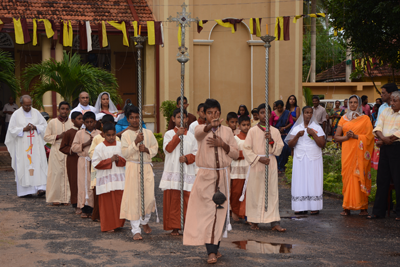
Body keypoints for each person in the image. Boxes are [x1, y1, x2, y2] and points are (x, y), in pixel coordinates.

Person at [183, 99, 239, 264]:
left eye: (216, 112)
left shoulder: (228, 131)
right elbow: (200, 133)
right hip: (206, 177)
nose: (213, 115)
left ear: (220, 113)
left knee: (219, 214)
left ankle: (214, 249)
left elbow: (235, 154)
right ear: (204, 115)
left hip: (222, 176)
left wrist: (223, 144)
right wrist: (210, 127)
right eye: (209, 113)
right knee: (208, 214)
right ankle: (211, 252)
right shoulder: (199, 128)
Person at [242, 103, 285, 231]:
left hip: (270, 163)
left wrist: (271, 141)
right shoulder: (252, 131)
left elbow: (279, 150)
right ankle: (254, 221)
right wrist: (258, 158)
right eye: (261, 112)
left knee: (271, 193)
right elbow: (246, 149)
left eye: (267, 112)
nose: (264, 115)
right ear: (258, 115)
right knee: (255, 192)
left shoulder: (275, 131)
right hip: (257, 163)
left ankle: (274, 222)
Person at [120, 105, 159, 240]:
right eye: (132, 118)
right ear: (128, 119)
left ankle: (144, 221)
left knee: (148, 197)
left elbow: (155, 148)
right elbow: (124, 153)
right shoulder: (125, 135)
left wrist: (146, 149)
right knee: (134, 198)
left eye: (137, 117)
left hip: (146, 167)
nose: (135, 120)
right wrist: (135, 143)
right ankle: (135, 229)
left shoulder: (148, 133)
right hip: (132, 167)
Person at [334, 95, 374, 216]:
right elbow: (336, 137)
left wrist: (356, 136)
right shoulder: (343, 119)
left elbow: (370, 137)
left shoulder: (365, 119)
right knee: (347, 176)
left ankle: (363, 207)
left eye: (355, 102)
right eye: (350, 102)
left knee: (359, 176)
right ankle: (347, 207)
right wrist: (346, 137)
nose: (352, 104)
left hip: (360, 152)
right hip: (347, 152)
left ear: (359, 104)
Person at [160, 108, 197, 235]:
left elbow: (197, 154)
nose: (181, 120)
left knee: (187, 200)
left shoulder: (192, 136)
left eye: (184, 117)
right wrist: (177, 136)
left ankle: (187, 226)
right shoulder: (169, 134)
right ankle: (174, 227)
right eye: (178, 117)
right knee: (174, 199)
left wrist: (187, 158)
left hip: (187, 172)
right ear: (173, 119)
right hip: (173, 171)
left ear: (187, 119)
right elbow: (168, 149)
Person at [5, 95, 48, 197]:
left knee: (39, 164)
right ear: (21, 104)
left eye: (30, 105)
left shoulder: (36, 112)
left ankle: (40, 188)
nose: (28, 108)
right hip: (23, 146)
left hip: (36, 146)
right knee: (24, 165)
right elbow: (11, 130)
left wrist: (35, 127)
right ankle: (26, 191)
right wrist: (23, 129)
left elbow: (44, 126)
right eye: (26, 106)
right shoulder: (16, 114)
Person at [286, 106, 325, 215]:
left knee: (313, 180)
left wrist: (313, 134)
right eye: (306, 112)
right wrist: (297, 136)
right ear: (302, 114)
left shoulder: (317, 128)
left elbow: (322, 144)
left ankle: (314, 206)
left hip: (313, 158)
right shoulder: (296, 128)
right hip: (300, 158)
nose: (308, 114)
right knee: (300, 180)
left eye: (310, 113)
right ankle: (300, 206)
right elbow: (290, 144)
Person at [367, 91, 400, 221]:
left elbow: (398, 132)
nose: (392, 103)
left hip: (397, 147)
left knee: (398, 180)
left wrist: (388, 140)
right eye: (391, 100)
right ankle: (378, 212)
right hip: (385, 147)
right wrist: (383, 139)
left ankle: (399, 212)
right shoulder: (386, 111)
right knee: (382, 180)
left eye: (395, 101)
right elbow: (377, 127)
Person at [92, 123, 126, 232]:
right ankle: (108, 225)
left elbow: (126, 160)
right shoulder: (99, 147)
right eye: (108, 135)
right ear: (103, 135)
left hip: (119, 180)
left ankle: (118, 224)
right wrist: (110, 160)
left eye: (113, 135)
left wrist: (119, 159)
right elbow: (95, 164)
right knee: (107, 205)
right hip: (105, 180)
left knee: (119, 202)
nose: (111, 137)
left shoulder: (121, 145)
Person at [88, 114, 120, 222]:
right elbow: (91, 152)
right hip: (100, 170)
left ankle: (115, 218)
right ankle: (98, 215)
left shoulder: (118, 140)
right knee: (101, 193)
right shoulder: (97, 139)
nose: (111, 137)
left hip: (115, 171)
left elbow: (122, 153)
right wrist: (106, 158)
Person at [71, 111, 101, 218]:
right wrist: (85, 144)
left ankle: (94, 208)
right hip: (83, 161)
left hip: (95, 162)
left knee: (93, 183)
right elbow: (73, 148)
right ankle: (84, 208)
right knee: (83, 184)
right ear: (84, 122)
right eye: (87, 122)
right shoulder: (79, 133)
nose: (89, 124)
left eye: (91, 122)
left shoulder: (99, 134)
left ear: (95, 122)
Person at [44, 101, 73, 206]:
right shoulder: (52, 122)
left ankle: (66, 199)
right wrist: (58, 136)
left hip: (69, 150)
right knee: (57, 173)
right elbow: (46, 137)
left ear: (69, 110)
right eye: (62, 109)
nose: (64, 111)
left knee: (68, 173)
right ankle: (56, 198)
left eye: (66, 109)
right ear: (58, 110)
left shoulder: (72, 122)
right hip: (56, 149)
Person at [59, 111, 83, 214]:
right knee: (74, 181)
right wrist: (73, 149)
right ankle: (76, 203)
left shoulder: (85, 131)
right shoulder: (69, 133)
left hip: (84, 159)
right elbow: (62, 147)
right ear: (73, 121)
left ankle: (85, 203)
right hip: (73, 160)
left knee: (84, 181)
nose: (81, 121)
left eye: (82, 118)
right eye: (79, 119)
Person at [371, 83, 399, 170]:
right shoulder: (384, 108)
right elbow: (378, 126)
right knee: (384, 175)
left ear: (390, 94)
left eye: (383, 93)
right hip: (384, 145)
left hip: (396, 145)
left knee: (396, 175)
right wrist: (383, 139)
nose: (381, 95)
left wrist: (383, 141)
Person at [230, 115, 250, 222]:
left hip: (249, 169)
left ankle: (246, 214)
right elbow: (232, 153)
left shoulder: (252, 137)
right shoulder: (235, 138)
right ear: (239, 126)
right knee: (236, 192)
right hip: (237, 169)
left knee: (248, 192)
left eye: (248, 125)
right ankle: (235, 211)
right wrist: (246, 154)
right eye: (243, 125)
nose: (246, 127)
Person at [270, 100, 293, 172]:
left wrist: (284, 128)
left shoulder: (287, 113)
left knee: (285, 149)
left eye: (281, 108)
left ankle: (284, 166)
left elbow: (291, 122)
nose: (279, 109)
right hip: (276, 134)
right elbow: (270, 124)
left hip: (285, 134)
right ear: (276, 107)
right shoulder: (273, 113)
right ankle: (278, 167)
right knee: (277, 149)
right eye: (278, 108)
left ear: (283, 107)